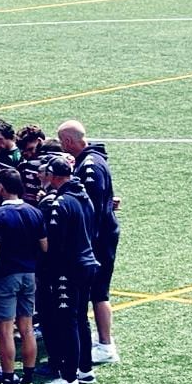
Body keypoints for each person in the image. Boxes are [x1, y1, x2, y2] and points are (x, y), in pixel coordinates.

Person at [58, 120, 120, 364]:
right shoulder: (92, 160)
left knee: (98, 291)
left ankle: (106, 345)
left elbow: (91, 206)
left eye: (63, 143)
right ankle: (103, 341)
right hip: (102, 235)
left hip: (98, 238)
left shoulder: (90, 166)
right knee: (97, 291)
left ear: (69, 142)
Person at [0, 169, 47, 384]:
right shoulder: (34, 212)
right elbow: (44, 246)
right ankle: (28, 382)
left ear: (1, 188)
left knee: (5, 331)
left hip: (5, 277)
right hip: (29, 276)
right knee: (27, 328)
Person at [39, 157, 99, 384]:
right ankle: (85, 369)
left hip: (68, 268)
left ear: (53, 175)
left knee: (67, 321)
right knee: (81, 318)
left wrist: (48, 271)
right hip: (87, 263)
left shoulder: (60, 202)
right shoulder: (84, 198)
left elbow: (55, 243)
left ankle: (69, 377)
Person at [15, 124, 46, 206]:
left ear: (40, 141)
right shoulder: (22, 164)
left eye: (31, 149)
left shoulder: (53, 162)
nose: (28, 154)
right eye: (23, 152)